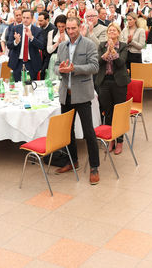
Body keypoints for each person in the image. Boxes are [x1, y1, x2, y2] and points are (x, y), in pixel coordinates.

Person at [53, 16, 101, 184]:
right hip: (66, 94)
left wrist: (75, 69)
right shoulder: (61, 46)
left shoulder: (88, 44)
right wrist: (60, 69)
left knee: (89, 132)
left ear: (80, 28)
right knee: (67, 131)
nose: (71, 31)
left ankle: (94, 167)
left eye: (73, 28)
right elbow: (56, 65)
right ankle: (72, 161)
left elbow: (94, 67)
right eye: (68, 28)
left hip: (82, 95)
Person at [96, 23, 130, 155]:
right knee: (108, 112)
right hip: (104, 81)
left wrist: (113, 51)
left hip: (119, 82)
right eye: (109, 30)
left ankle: (120, 141)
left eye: (114, 30)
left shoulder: (123, 46)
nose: (111, 32)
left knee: (119, 112)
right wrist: (107, 52)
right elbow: (98, 62)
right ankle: (111, 140)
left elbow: (121, 62)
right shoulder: (101, 45)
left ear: (118, 32)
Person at [5, 9, 46, 81]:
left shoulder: (38, 30)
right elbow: (9, 45)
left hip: (32, 63)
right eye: (23, 17)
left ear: (32, 18)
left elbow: (42, 46)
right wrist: (16, 42)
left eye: (27, 18)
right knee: (17, 86)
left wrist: (31, 37)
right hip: (17, 62)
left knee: (31, 86)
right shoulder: (15, 28)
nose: (25, 20)